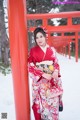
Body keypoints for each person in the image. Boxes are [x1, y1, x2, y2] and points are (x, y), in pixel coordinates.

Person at [28, 27, 63, 120]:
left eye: (41, 36)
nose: (39, 39)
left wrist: (55, 71)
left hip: (51, 80)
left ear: (45, 37)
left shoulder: (51, 49)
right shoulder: (33, 50)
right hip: (40, 82)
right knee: (44, 106)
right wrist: (42, 74)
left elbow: (56, 63)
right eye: (37, 37)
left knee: (53, 103)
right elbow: (30, 65)